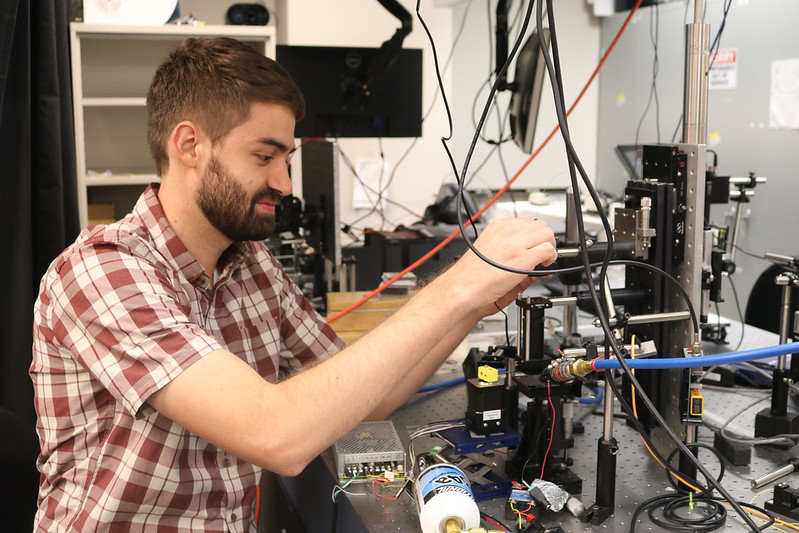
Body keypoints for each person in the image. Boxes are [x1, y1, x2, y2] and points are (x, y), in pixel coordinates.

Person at [30, 37, 557, 531]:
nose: (283, 184)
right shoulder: (104, 273)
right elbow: (276, 434)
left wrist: (470, 304)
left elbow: (366, 399)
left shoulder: (252, 267)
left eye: (287, 160)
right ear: (189, 145)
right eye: (264, 157)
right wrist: (458, 282)